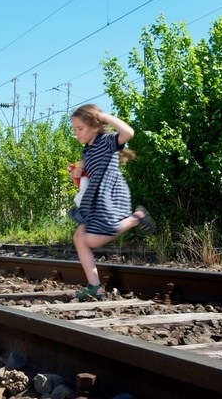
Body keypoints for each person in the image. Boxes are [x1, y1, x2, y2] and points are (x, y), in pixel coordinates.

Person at [68, 103, 156, 300]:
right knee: (79, 237)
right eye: (75, 129)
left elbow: (129, 132)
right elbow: (89, 172)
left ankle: (136, 217)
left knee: (94, 240)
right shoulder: (87, 150)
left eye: (80, 129)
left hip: (110, 196)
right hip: (94, 199)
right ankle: (95, 287)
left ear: (95, 126)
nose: (77, 134)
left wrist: (104, 116)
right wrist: (77, 172)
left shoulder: (107, 141)